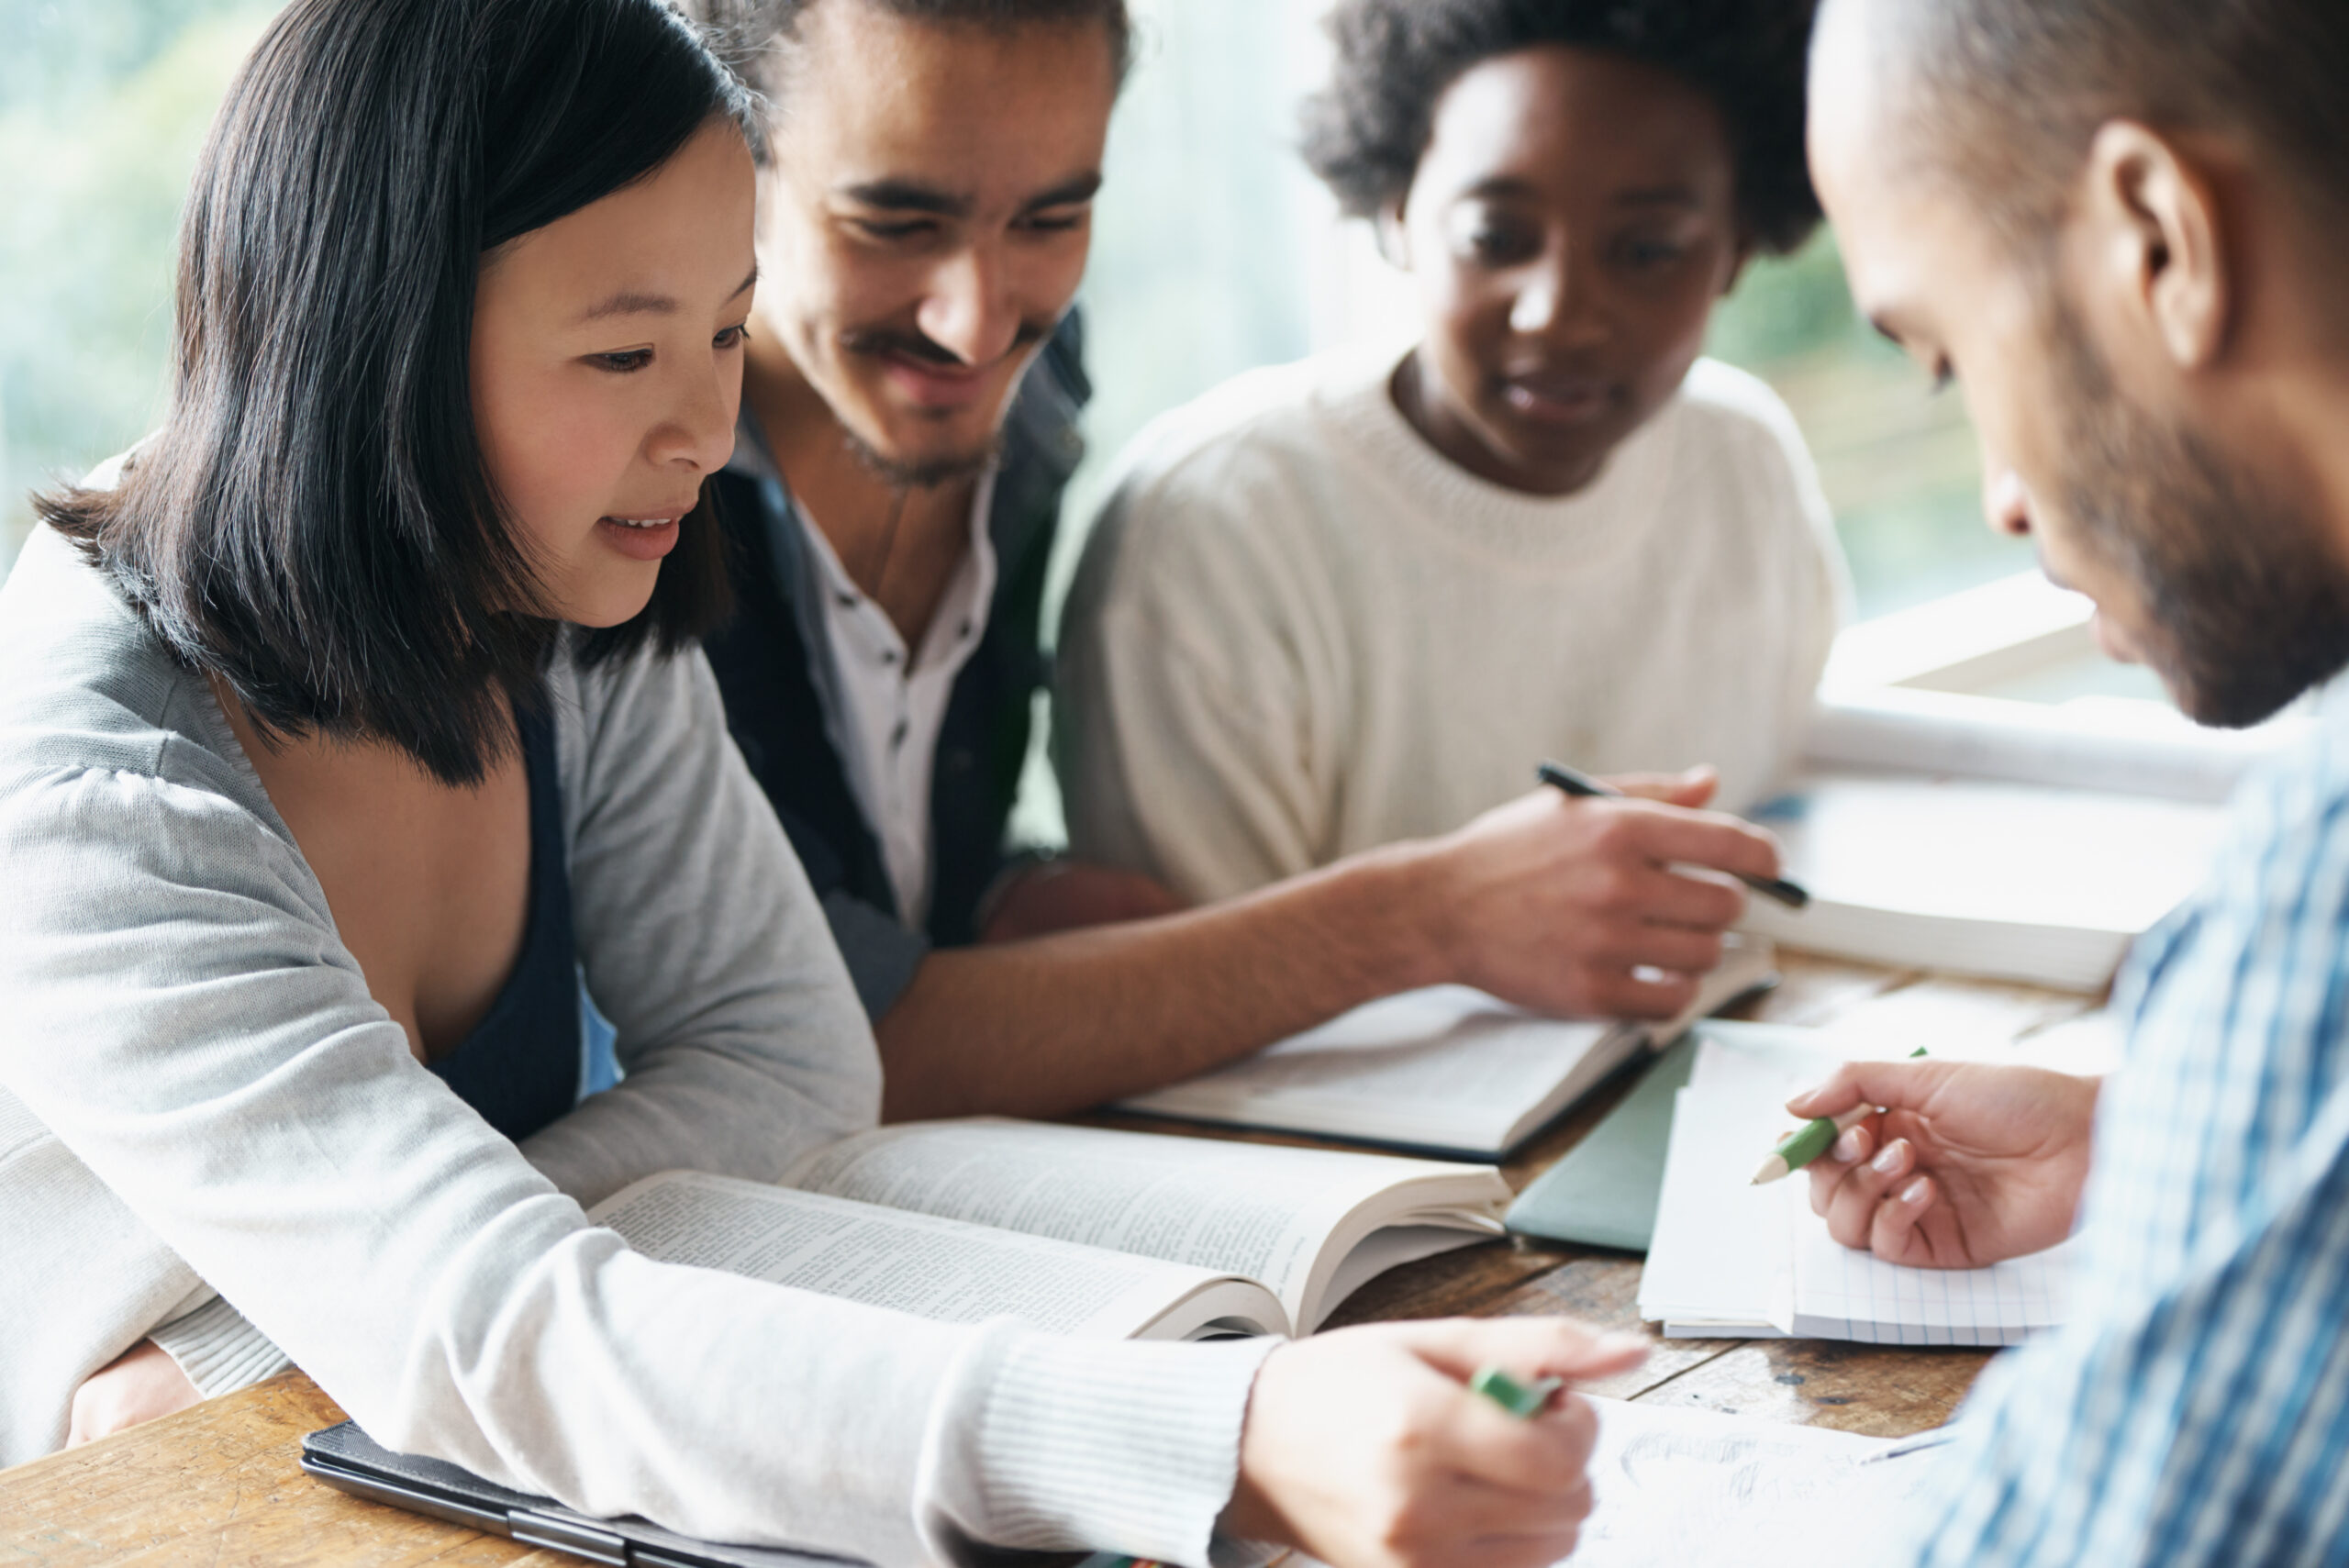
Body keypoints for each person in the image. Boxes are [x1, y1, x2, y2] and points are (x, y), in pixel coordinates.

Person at [0, 3, 1646, 1563]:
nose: (709, 430)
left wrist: (312, 1307)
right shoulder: (100, 786)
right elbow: (502, 1321)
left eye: (726, 326)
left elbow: (789, 1058)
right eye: (626, 353)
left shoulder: (553, 576)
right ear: (380, 347)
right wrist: (1219, 1431)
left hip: (363, 1436)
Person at [682, 0, 1796, 1126]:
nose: (976, 322)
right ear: (724, 161)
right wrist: (1436, 912)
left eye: (1050, 218)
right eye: (893, 222)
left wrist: (1001, 886)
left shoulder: (1023, 386)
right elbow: (809, 1039)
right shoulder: (635, 501)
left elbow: (862, 842)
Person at [1778, 0, 2349, 1559]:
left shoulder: (2328, 881)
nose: (2003, 498)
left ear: (2162, 237)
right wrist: (2168, 1140)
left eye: (1948, 354)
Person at [1053, 0, 1846, 916]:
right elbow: (1188, 990)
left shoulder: (1741, 461)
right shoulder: (1216, 524)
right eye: (1495, 239)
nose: (1558, 312)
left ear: (1736, 253)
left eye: (1645, 251)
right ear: (1396, 212)